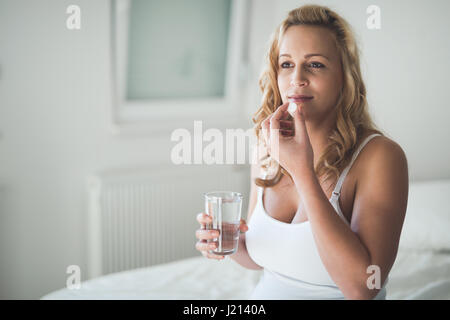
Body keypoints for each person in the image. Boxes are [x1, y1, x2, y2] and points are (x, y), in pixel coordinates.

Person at [195, 4, 408, 300]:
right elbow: (260, 258)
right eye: (286, 64)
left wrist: (303, 173)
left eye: (315, 64)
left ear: (344, 77)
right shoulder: (267, 149)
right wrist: (228, 243)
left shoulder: (380, 157)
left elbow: (363, 288)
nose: (297, 78)